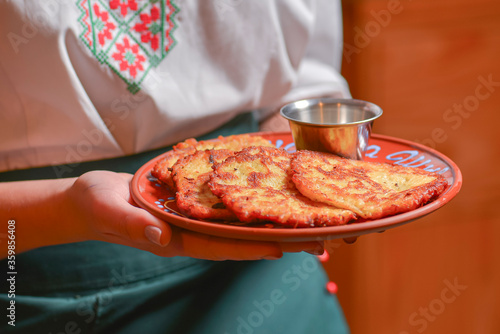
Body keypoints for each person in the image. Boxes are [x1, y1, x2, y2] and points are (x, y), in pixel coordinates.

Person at [0, 0, 351, 332]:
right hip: (49, 288)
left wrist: (308, 177)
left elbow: (306, 74)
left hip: (271, 263)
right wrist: (60, 211)